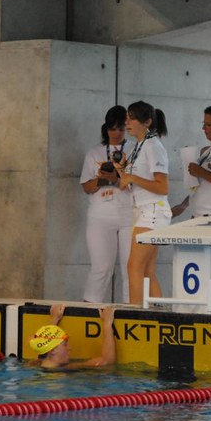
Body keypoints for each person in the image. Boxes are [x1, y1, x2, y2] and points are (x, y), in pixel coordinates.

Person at [117, 101, 170, 306]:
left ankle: (135, 314)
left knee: (134, 267)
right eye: (127, 118)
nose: (127, 122)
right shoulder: (138, 146)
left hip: (153, 211)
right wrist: (121, 170)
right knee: (147, 270)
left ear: (146, 122)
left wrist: (132, 178)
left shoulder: (153, 146)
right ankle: (160, 315)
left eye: (132, 118)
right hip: (143, 210)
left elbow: (163, 187)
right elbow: (127, 184)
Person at [80, 105, 133, 303]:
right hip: (100, 214)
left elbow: (138, 184)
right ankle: (89, 309)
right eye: (113, 128)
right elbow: (86, 186)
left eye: (121, 128)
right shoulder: (95, 152)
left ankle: (131, 310)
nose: (117, 133)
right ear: (106, 128)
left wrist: (119, 178)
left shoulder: (134, 150)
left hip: (129, 213)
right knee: (101, 267)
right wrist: (106, 179)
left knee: (130, 268)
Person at [28, 303, 117, 370]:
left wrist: (54, 319)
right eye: (65, 344)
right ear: (53, 350)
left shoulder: (34, 364)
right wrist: (107, 324)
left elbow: (45, 344)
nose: (70, 348)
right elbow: (106, 361)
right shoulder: (66, 370)